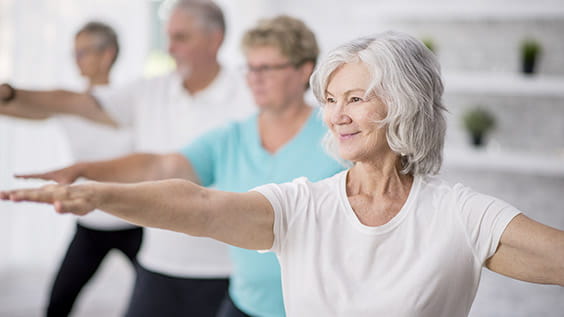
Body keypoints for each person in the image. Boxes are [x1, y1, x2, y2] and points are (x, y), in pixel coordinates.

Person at [3, 31, 563, 316]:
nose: (337, 115)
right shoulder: (302, 206)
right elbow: (198, 204)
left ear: (406, 104)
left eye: (357, 98)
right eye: (330, 99)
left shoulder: (460, 215)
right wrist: (98, 193)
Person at [13, 16, 343, 317]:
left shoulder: (337, 135)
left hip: (314, 305)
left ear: (304, 71)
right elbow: (161, 165)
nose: (254, 79)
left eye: (267, 68)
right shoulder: (232, 136)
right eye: (250, 68)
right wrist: (85, 171)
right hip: (246, 303)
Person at [1, 1, 254, 316]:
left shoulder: (250, 93)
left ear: (215, 39)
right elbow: (75, 102)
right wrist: (10, 93)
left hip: (225, 268)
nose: (170, 48)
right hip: (158, 263)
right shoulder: (149, 91)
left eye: (181, 38)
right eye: (168, 37)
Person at [0, 21, 142, 317]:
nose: (75, 59)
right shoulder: (65, 105)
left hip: (135, 221)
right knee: (58, 305)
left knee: (154, 302)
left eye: (83, 52)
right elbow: (21, 106)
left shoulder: (131, 99)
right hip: (90, 223)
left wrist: (11, 92)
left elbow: (71, 101)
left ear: (107, 54)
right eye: (74, 52)